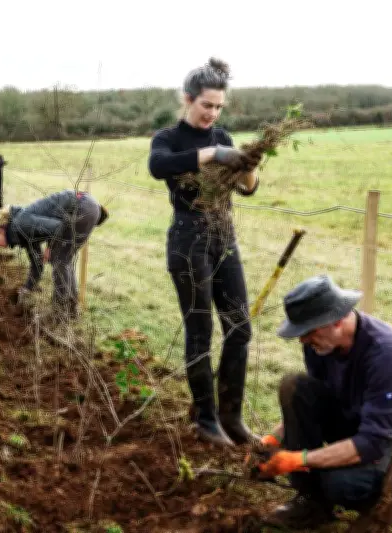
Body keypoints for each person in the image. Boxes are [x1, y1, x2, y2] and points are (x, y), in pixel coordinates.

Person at [254, 275, 392, 528]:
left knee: (340, 485)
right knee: (294, 386)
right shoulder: (320, 345)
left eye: (308, 331)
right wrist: (272, 440)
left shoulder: (386, 355)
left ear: (337, 320)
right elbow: (312, 402)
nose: (302, 340)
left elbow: (372, 442)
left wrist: (298, 460)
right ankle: (310, 501)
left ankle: (372, 503)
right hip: (356, 421)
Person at [147, 57, 262, 447]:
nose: (212, 113)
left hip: (223, 238)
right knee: (200, 330)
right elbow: (158, 166)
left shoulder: (225, 136)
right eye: (206, 105)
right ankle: (206, 420)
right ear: (188, 99)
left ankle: (232, 418)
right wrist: (213, 155)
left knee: (239, 327)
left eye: (218, 107)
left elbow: (248, 189)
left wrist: (248, 165)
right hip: (188, 239)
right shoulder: (169, 138)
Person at [0, 189, 108, 317]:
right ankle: (70, 311)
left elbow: (57, 227)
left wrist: (50, 247)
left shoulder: (21, 223)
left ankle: (59, 311)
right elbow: (37, 265)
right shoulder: (22, 234)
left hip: (81, 207)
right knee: (64, 260)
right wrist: (26, 289)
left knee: (59, 259)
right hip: (86, 208)